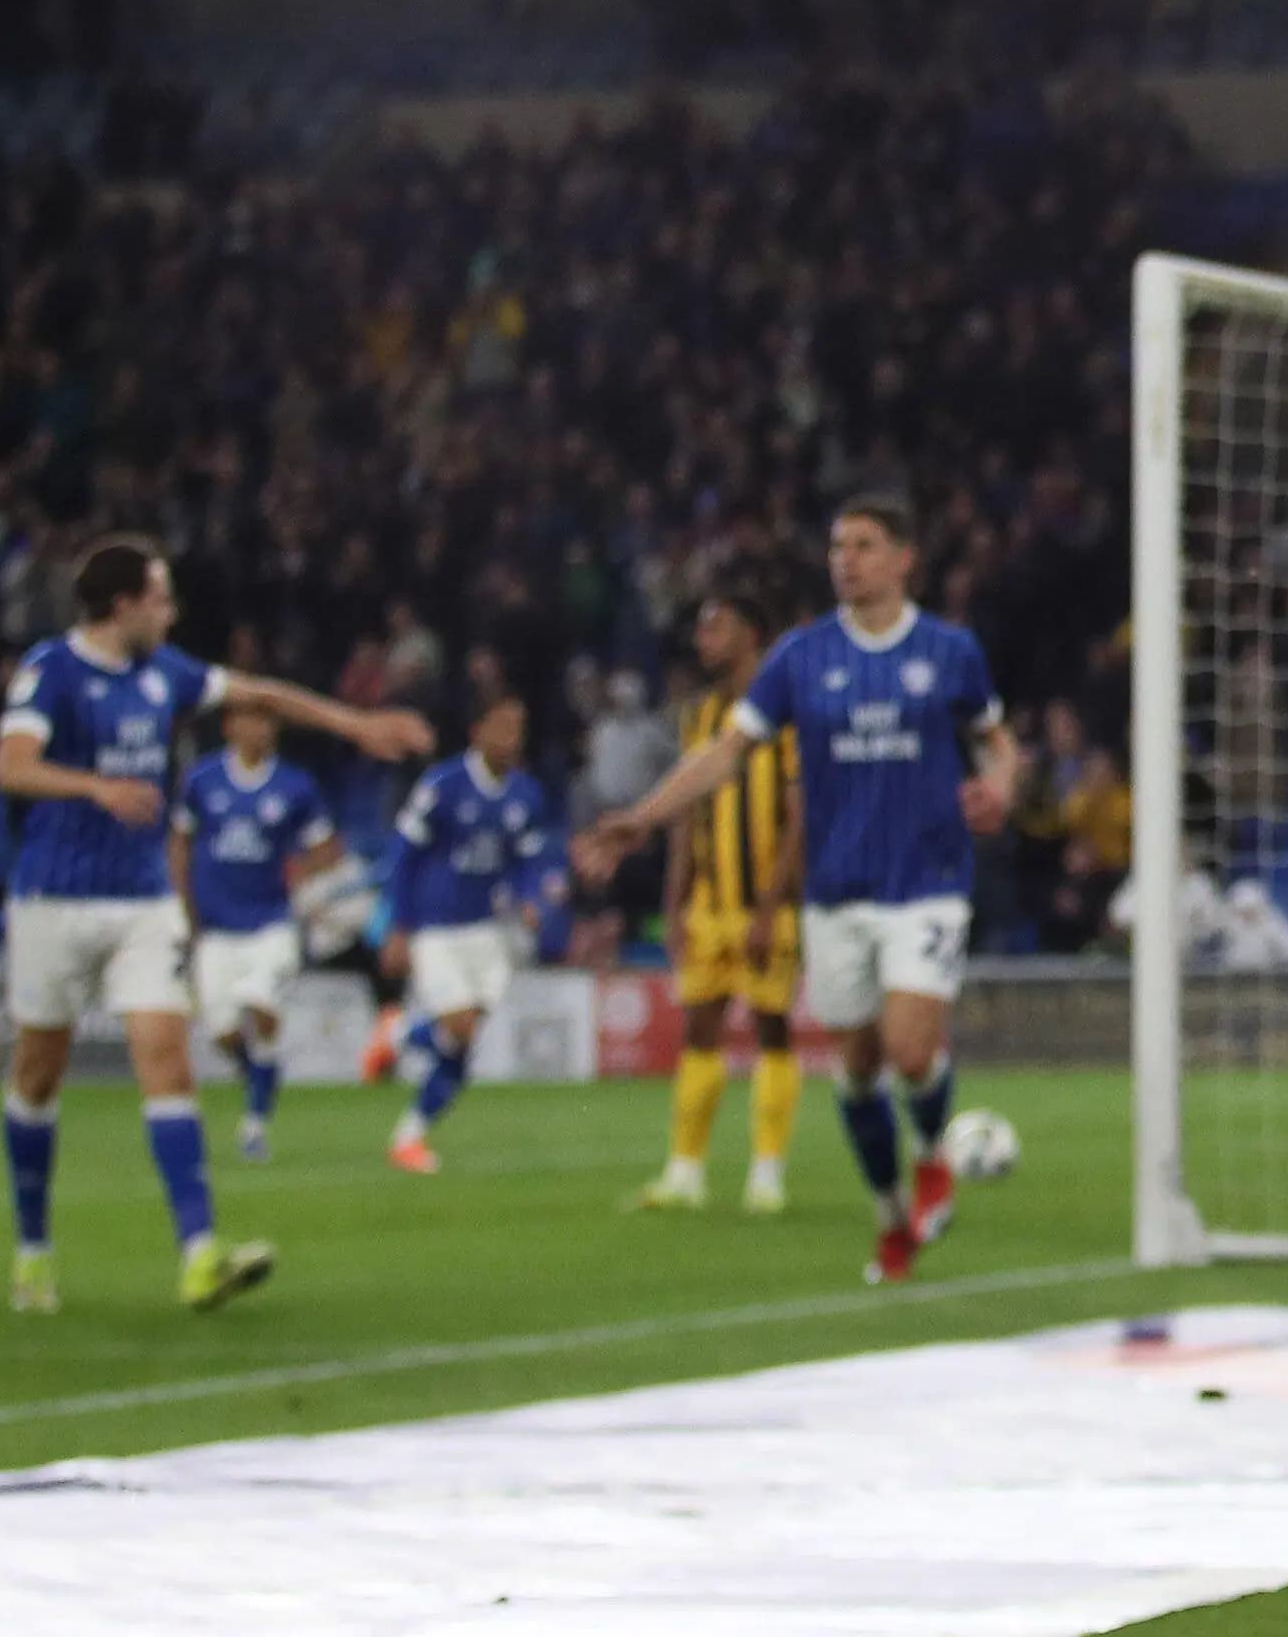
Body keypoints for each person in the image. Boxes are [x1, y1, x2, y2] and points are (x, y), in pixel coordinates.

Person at [577, 496, 1016, 1286]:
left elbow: (996, 739)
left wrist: (1003, 785)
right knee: (853, 1068)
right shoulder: (800, 657)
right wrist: (642, 818)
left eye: (864, 545)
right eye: (837, 545)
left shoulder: (950, 651)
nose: (845, 558)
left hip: (926, 881)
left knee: (911, 1050)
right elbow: (725, 753)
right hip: (836, 890)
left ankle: (930, 1158)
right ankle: (890, 1220)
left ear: (903, 559)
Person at [0, 535, 427, 1315]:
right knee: (37, 1076)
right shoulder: (50, 671)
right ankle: (33, 1248)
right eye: (160, 597)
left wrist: (354, 725)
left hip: (142, 902)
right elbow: (13, 767)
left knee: (166, 1057)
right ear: (122, 604)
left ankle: (200, 1254)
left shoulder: (168, 674)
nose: (171, 611)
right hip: (52, 901)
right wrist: (96, 788)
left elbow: (262, 691)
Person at [630, 592, 805, 1215]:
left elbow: (799, 816)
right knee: (698, 1031)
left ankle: (766, 1173)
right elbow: (686, 815)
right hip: (709, 903)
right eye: (700, 630)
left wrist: (768, 908)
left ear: (750, 634)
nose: (704, 641)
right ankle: (685, 1171)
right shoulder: (699, 716)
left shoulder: (785, 716)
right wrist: (673, 902)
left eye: (717, 628)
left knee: (771, 1032)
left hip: (766, 907)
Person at [372, 694, 548, 1175]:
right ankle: (399, 1031)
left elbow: (527, 861)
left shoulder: (525, 795)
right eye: (503, 727)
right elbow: (404, 856)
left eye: (519, 729)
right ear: (478, 732)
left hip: (487, 930)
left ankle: (408, 1138)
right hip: (438, 927)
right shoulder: (444, 786)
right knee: (460, 1028)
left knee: (460, 1047)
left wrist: (531, 896)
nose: (512, 739)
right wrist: (397, 925)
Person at [169, 696, 341, 1165]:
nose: (259, 730)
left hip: (270, 923)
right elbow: (180, 843)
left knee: (262, 1007)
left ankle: (254, 1125)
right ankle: (262, 1073)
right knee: (223, 1033)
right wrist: (182, 907)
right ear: (230, 726)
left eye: (267, 721)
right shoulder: (202, 780)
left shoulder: (294, 786)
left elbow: (328, 847)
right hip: (217, 929)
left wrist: (301, 873)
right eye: (249, 719)